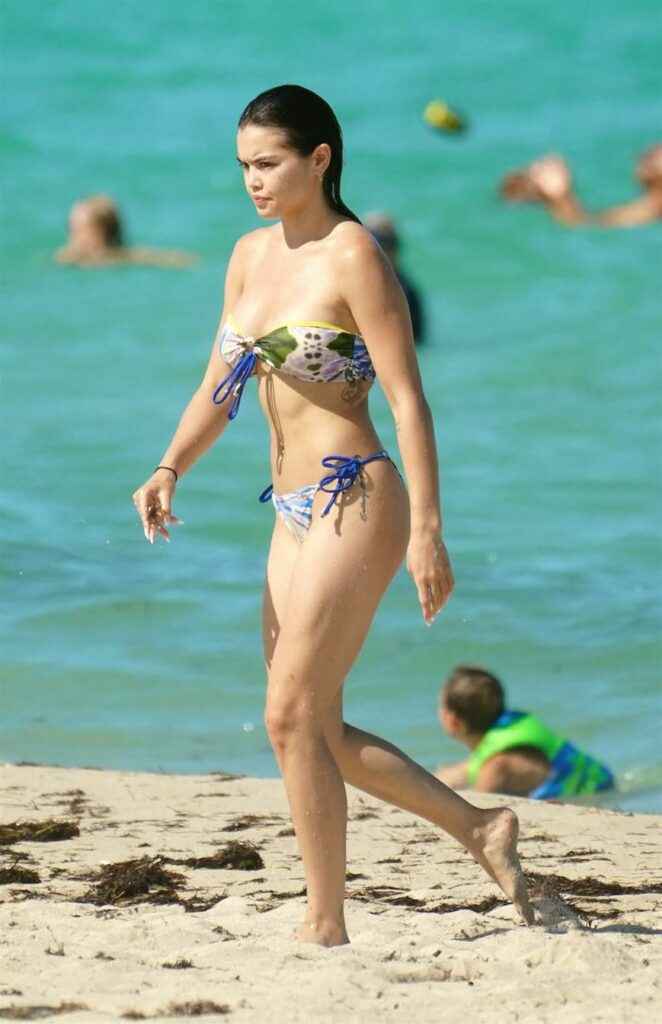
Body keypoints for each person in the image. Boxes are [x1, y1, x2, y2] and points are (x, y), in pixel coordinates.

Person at [132, 84, 533, 947]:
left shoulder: (355, 257)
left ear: (319, 159)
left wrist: (428, 529)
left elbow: (409, 402)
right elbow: (219, 387)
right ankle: (479, 828)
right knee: (313, 725)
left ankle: (324, 924)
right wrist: (170, 465)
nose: (253, 181)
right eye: (244, 166)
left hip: (358, 494)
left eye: (268, 163)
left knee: (288, 714)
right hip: (289, 511)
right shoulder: (248, 256)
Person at [436, 665, 615, 799]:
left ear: (453, 721)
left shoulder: (497, 768)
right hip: (602, 781)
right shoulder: (507, 729)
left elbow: (479, 808)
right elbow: (465, 769)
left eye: (441, 706)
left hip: (594, 795)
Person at [500, 144, 662, 227]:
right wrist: (560, 198)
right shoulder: (652, 205)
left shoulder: (653, 206)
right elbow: (589, 224)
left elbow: (587, 224)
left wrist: (560, 197)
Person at [55, 194, 196, 267]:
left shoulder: (122, 258)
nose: (71, 235)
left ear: (100, 232)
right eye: (69, 227)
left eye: (76, 229)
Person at [363, 212, 425, 344]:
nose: (380, 250)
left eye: (386, 243)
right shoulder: (352, 285)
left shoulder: (405, 291)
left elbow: (416, 340)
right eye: (374, 241)